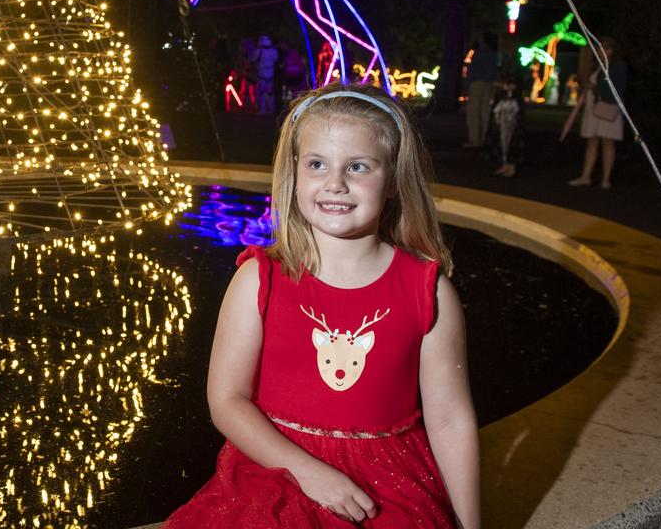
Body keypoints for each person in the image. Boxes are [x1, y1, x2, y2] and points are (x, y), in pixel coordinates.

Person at [167, 83, 479, 529]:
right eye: (317, 164)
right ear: (294, 173)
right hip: (277, 470)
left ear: (392, 180)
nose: (336, 183)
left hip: (389, 480)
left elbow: (450, 422)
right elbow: (227, 400)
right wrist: (310, 474)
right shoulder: (260, 279)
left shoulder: (427, 292)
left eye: (357, 166)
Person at [568, 38, 628, 189]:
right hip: (593, 106)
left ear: (613, 50)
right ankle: (585, 176)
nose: (602, 52)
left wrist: (594, 87)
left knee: (608, 142)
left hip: (607, 107)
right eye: (600, 48)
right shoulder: (596, 65)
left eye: (606, 48)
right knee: (592, 142)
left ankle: (605, 179)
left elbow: (616, 88)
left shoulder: (618, 66)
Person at [461, 32, 498, 148]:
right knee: (484, 112)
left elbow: (472, 72)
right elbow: (494, 72)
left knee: (474, 112)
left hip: (476, 84)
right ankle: (482, 139)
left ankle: (474, 140)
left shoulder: (478, 54)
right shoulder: (493, 55)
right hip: (488, 84)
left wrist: (466, 87)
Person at [488, 68, 525, 178]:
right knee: (502, 143)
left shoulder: (516, 98)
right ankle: (505, 164)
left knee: (512, 144)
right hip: (502, 124)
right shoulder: (502, 96)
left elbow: (518, 111)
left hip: (512, 125)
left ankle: (511, 166)